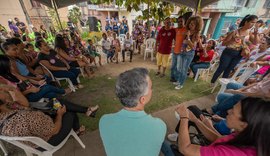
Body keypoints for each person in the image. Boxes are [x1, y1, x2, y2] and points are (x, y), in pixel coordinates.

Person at [99, 68, 166, 156]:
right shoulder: (159, 126)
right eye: (150, 88)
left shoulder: (105, 121)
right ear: (143, 99)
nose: (152, 90)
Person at [174, 97, 270, 156]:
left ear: (244, 124)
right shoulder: (246, 136)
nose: (228, 111)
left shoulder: (233, 153)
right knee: (193, 110)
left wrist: (184, 117)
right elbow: (218, 138)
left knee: (165, 143)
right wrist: (196, 120)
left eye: (233, 112)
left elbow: (185, 149)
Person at [211, 15, 258, 84]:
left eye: (255, 23)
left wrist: (256, 34)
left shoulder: (250, 33)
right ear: (246, 22)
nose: (253, 25)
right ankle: (212, 82)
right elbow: (223, 43)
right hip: (228, 52)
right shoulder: (235, 31)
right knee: (222, 67)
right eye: (252, 22)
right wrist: (231, 41)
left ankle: (222, 84)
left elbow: (255, 42)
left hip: (239, 54)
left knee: (229, 69)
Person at [175, 16, 203, 89]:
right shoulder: (188, 31)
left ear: (197, 26)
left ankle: (181, 84)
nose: (190, 25)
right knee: (179, 68)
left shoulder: (197, 34)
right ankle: (179, 81)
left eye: (193, 24)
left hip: (189, 54)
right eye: (190, 23)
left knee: (184, 69)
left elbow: (193, 47)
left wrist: (187, 38)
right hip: (182, 52)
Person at [170, 16, 187, 82]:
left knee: (178, 68)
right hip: (175, 51)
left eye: (181, 21)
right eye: (178, 21)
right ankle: (172, 77)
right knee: (172, 67)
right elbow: (169, 29)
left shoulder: (186, 30)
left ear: (184, 22)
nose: (180, 23)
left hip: (181, 52)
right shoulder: (175, 29)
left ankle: (177, 79)